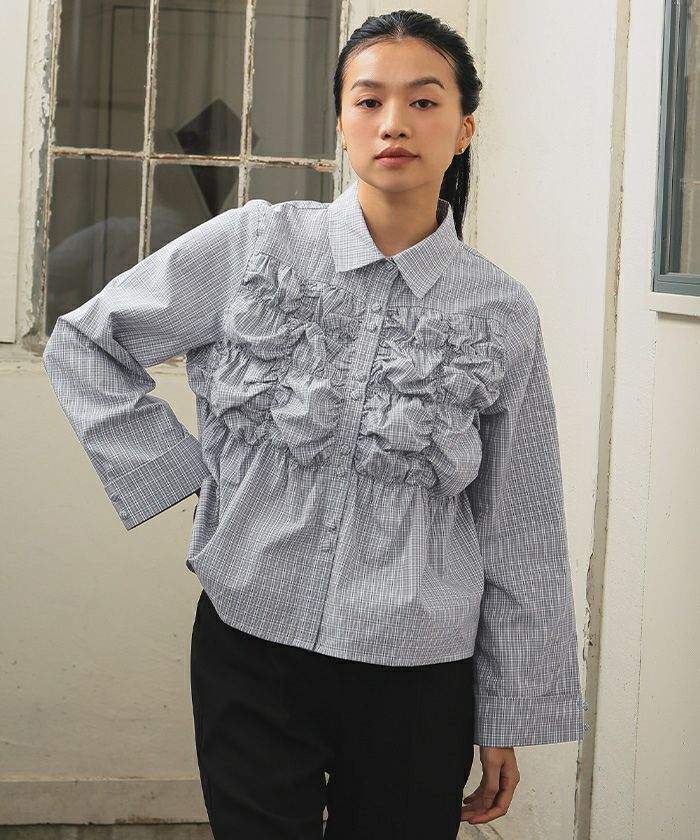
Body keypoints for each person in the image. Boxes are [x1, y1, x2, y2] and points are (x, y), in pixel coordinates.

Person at [42, 9, 586, 839]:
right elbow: (86, 342)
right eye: (369, 101)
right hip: (249, 641)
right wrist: (187, 479)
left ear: (464, 128)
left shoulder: (502, 311)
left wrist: (507, 708)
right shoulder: (256, 244)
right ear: (341, 121)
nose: (394, 122)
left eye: (424, 101)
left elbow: (521, 520)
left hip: (419, 667)